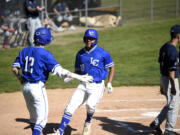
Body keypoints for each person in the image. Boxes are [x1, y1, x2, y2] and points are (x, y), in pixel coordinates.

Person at [11, 27, 93, 135]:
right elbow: (59, 71)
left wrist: (21, 79)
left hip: (25, 88)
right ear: (45, 39)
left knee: (33, 118)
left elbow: (14, 68)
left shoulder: (24, 50)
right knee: (42, 120)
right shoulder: (44, 53)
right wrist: (79, 77)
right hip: (37, 88)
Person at [48, 28, 115, 135]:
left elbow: (112, 67)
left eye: (91, 39)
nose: (89, 40)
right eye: (87, 38)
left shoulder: (103, 53)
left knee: (90, 105)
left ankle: (88, 123)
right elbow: (78, 71)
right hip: (83, 85)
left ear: (96, 40)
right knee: (70, 106)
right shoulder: (80, 54)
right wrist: (71, 77)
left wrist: (109, 83)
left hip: (97, 86)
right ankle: (60, 132)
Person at [149, 25, 180, 135]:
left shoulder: (165, 46)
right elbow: (171, 72)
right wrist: (173, 87)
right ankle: (169, 130)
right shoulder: (173, 51)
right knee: (174, 105)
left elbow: (164, 64)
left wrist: (163, 84)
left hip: (164, 78)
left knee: (171, 103)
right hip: (170, 79)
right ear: (178, 36)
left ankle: (156, 123)